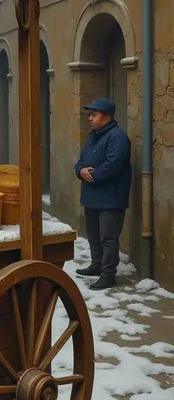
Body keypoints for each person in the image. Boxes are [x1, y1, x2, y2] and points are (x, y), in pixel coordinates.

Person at [73, 98, 132, 290]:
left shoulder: (117, 137)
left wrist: (93, 175)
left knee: (108, 238)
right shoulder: (93, 136)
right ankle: (96, 265)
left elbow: (113, 164)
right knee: (93, 235)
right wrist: (80, 171)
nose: (89, 118)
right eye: (89, 114)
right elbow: (80, 161)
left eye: (93, 114)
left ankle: (108, 275)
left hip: (110, 198)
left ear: (106, 117)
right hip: (92, 196)